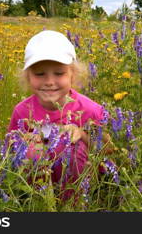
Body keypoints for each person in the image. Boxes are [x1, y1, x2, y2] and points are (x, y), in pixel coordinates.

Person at [7, 30, 114, 201]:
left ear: (73, 74)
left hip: (80, 180)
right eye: (40, 74)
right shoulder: (22, 111)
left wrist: (82, 133)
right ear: (28, 77)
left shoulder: (90, 110)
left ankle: (72, 205)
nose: (49, 81)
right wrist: (24, 139)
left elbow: (108, 149)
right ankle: (39, 203)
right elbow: (9, 149)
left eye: (59, 73)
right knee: (32, 151)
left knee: (74, 149)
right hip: (38, 181)